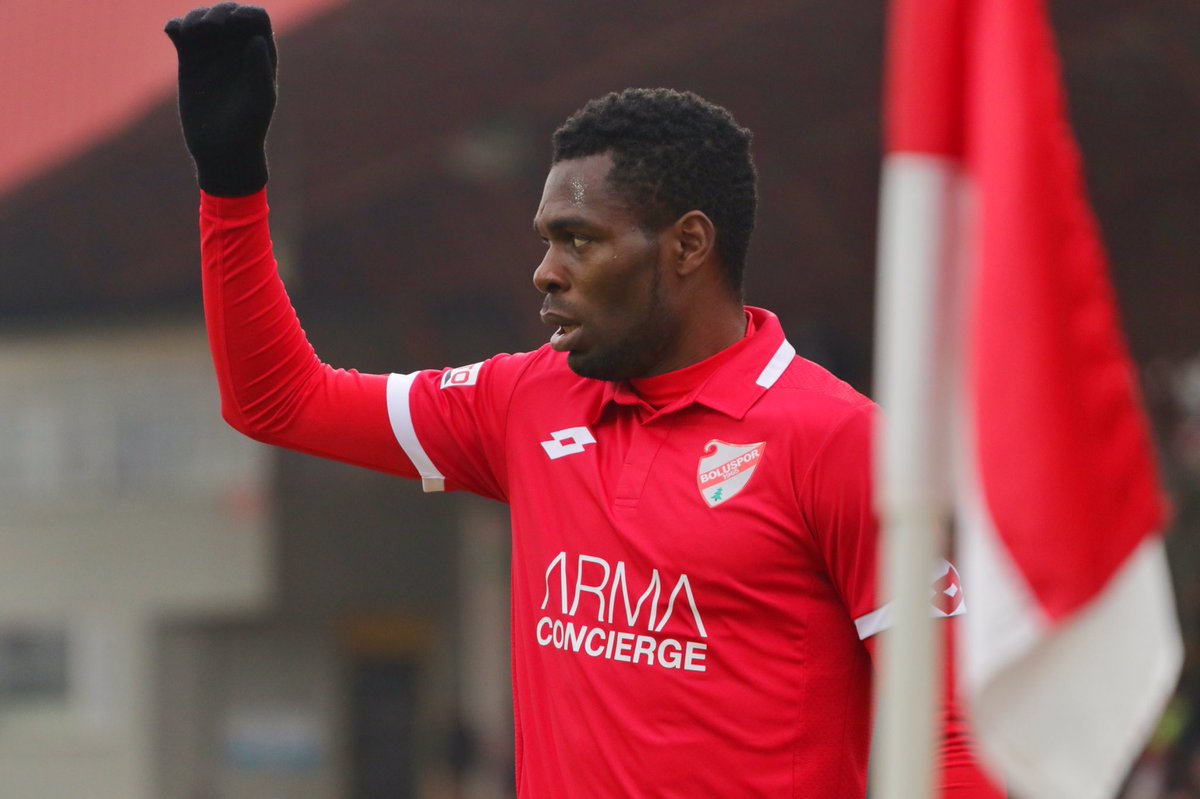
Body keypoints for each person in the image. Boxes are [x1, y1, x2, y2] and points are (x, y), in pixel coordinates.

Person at [165, 4, 1004, 797]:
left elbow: (957, 739)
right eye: (547, 241)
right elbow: (277, 400)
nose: (546, 271)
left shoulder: (840, 442)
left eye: (579, 240)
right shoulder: (526, 400)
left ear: (687, 244)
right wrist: (232, 183)